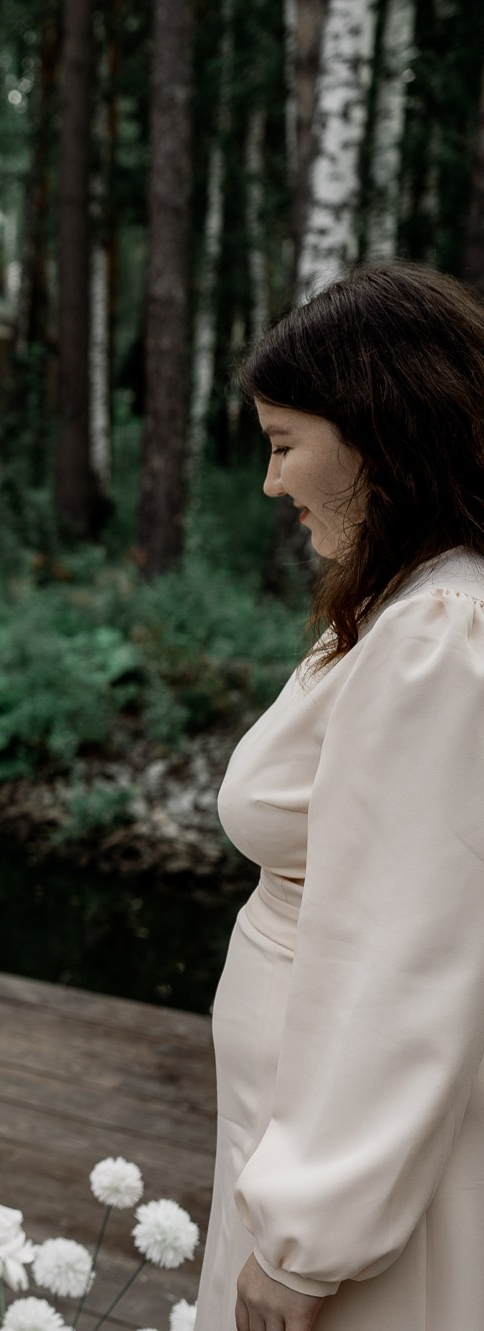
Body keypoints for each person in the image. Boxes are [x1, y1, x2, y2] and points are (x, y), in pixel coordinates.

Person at [197, 261, 484, 1331]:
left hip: (341, 1180)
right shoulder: (403, 602)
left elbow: (400, 946)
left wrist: (305, 1238)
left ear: (377, 433)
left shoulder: (436, 633)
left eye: (282, 444)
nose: (270, 483)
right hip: (300, 1136)